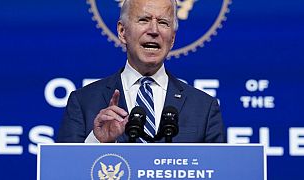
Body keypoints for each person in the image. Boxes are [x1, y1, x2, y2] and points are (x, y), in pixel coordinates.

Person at [57, 0, 225, 143]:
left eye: (163, 23)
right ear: (122, 32)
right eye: (144, 20)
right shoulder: (83, 102)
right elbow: (62, 171)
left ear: (172, 39)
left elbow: (219, 170)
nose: (153, 30)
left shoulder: (204, 108)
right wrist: (97, 142)